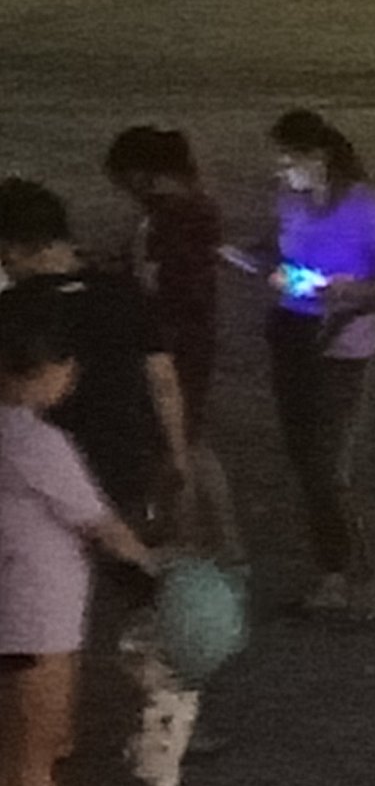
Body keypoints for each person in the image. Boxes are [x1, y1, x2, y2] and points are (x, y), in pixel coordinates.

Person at [0, 304, 162, 786]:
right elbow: (99, 523)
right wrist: (154, 566)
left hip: (17, 604)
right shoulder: (36, 442)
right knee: (40, 751)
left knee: (24, 740)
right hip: (37, 613)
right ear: (44, 370)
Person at [238, 113, 375, 619]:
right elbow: (274, 246)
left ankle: (374, 578)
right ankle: (332, 574)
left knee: (333, 466)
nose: (283, 167)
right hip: (293, 332)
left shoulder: (370, 204)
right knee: (306, 464)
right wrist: (255, 261)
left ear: (321, 155)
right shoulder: (289, 199)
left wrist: (353, 291)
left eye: (291, 156)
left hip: (344, 343)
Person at [0, 180, 192, 551]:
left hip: (50, 470)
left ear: (13, 249)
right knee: (130, 560)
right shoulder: (123, 292)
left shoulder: (15, 309)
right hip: (128, 459)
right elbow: (163, 380)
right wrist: (177, 453)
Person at [104, 127, 235, 560]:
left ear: (143, 173)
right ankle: (223, 547)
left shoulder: (178, 216)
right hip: (186, 341)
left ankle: (187, 542)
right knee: (189, 440)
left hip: (176, 344)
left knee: (174, 446)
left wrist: (132, 286)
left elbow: (172, 284)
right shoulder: (184, 209)